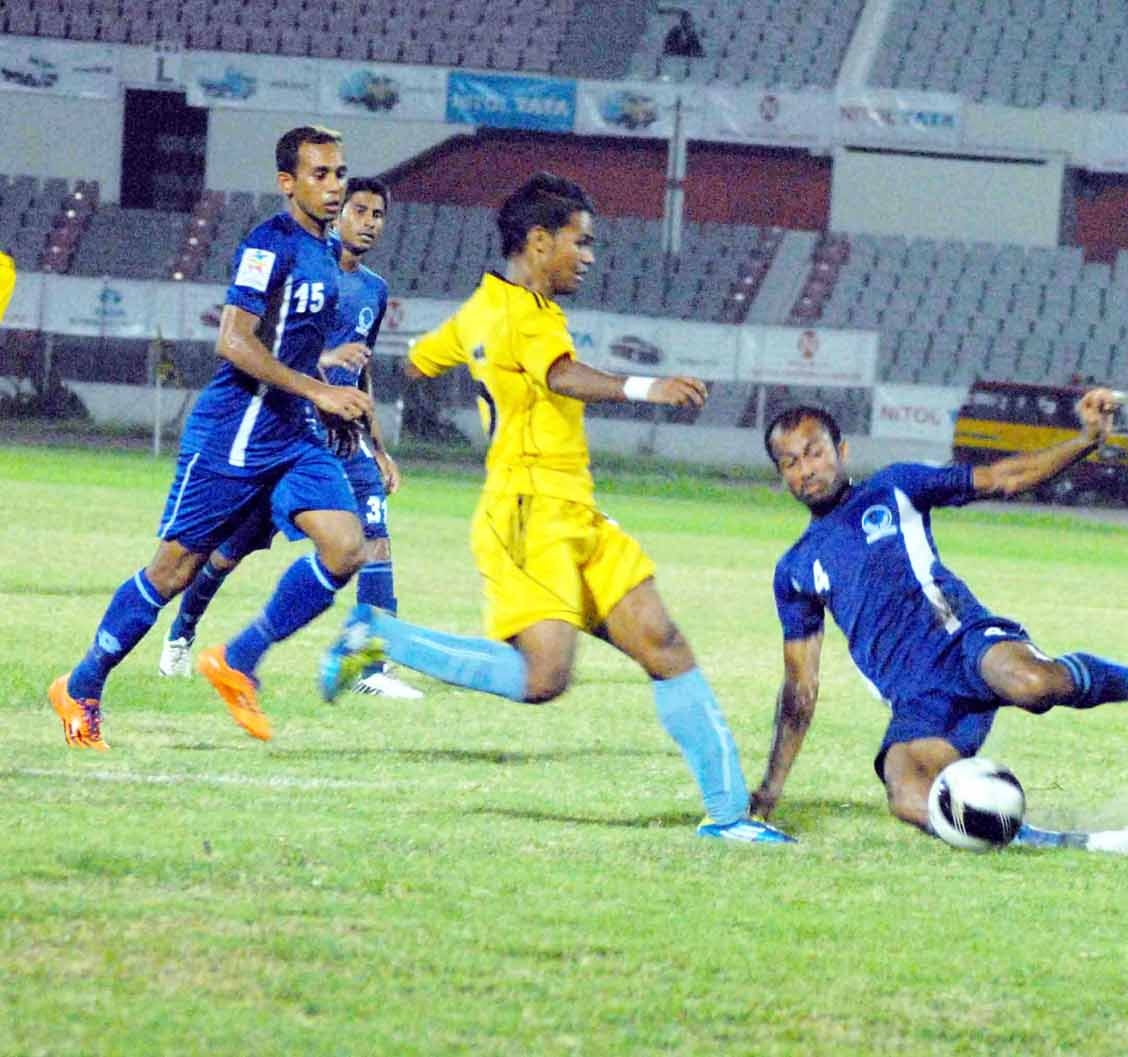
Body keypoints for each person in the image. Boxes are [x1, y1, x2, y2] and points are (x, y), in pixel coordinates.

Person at [316, 172, 792, 844]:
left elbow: (423, 360)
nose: (589, 256)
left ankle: (728, 816)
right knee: (544, 678)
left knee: (663, 641)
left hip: (574, 507)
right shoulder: (520, 316)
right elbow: (561, 374)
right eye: (581, 241)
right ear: (539, 242)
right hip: (526, 510)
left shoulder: (486, 305)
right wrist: (646, 386)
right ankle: (376, 636)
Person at [750, 398, 1128, 854]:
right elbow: (801, 687)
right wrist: (770, 789)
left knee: (1034, 685)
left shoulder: (894, 488)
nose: (806, 470)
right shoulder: (794, 569)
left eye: (814, 452)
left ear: (841, 449)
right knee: (907, 796)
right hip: (917, 699)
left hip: (965, 643)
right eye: (790, 462)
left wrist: (1087, 440)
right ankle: (1077, 844)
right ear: (781, 475)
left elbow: (1004, 478)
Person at [49, 125, 374, 748]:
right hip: (235, 432)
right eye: (320, 175)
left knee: (345, 546)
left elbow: (291, 340)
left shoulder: (328, 250)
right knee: (173, 571)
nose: (334, 186)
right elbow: (233, 340)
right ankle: (83, 684)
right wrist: (317, 390)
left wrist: (323, 371)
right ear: (288, 183)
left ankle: (238, 659)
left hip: (291, 434)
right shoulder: (266, 244)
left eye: (340, 174)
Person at [157, 176, 422, 700]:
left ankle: (371, 668)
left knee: (374, 542)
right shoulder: (303, 266)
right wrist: (325, 365)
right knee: (228, 549)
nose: (369, 222)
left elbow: (361, 370)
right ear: (336, 213)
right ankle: (183, 631)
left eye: (378, 215)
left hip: (344, 440)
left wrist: (380, 448)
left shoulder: (374, 288)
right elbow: (270, 348)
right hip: (284, 429)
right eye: (360, 211)